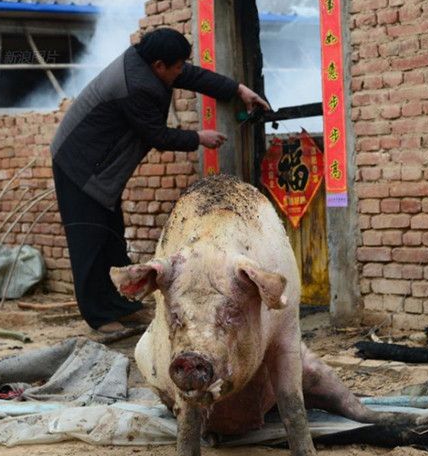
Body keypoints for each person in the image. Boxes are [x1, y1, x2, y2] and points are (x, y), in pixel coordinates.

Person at [50, 27, 269, 333]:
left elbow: (190, 75)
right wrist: (198, 137)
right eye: (176, 66)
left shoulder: (153, 65)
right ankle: (99, 317)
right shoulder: (136, 85)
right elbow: (156, 135)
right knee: (88, 241)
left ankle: (122, 306)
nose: (181, 71)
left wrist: (237, 89)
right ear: (159, 66)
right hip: (78, 163)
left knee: (112, 236)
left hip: (99, 165)